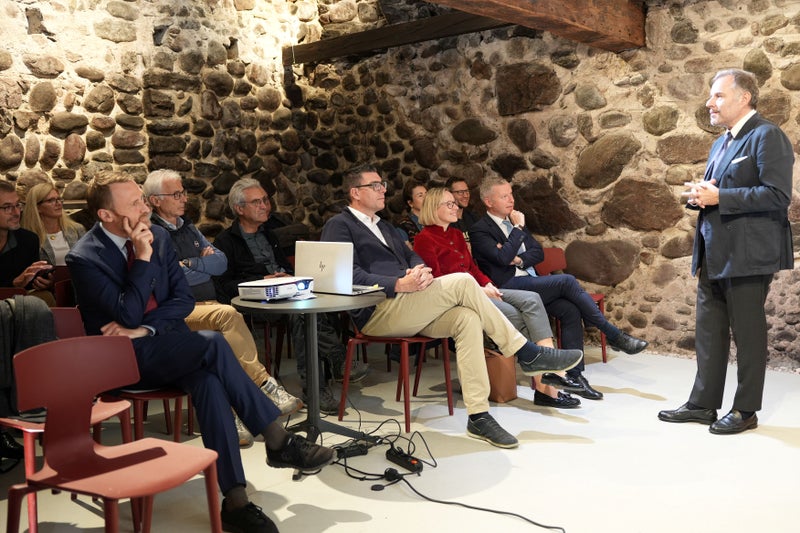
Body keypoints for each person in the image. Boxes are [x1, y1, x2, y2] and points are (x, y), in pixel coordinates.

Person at [65, 170, 334, 533]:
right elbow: (125, 313)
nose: (145, 208)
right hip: (121, 360)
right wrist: (142, 258)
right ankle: (277, 439)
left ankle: (236, 502)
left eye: (143, 199)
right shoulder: (85, 257)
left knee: (209, 382)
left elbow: (182, 300)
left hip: (167, 343)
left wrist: (145, 327)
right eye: (135, 203)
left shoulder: (159, 235)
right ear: (106, 215)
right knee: (211, 341)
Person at [320, 163, 583, 449]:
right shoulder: (339, 225)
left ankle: (479, 415)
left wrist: (419, 269)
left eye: (382, 184)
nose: (383, 189)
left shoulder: (383, 225)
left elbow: (411, 257)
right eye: (375, 185)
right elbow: (345, 274)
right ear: (355, 192)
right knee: (463, 281)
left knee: (467, 318)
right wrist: (397, 283)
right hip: (377, 310)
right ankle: (527, 352)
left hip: (409, 305)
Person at [658, 69, 794, 435]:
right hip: (714, 252)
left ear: (744, 97)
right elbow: (717, 191)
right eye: (711, 96)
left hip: (748, 254)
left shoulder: (767, 135)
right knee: (709, 331)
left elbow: (778, 195)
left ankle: (746, 410)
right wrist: (700, 196)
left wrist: (721, 197)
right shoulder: (722, 142)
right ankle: (703, 404)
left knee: (748, 336)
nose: (709, 103)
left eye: (718, 95)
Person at [143, 170, 302, 447]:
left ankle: (229, 413)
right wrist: (200, 264)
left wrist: (189, 264)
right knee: (227, 315)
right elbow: (170, 278)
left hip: (208, 306)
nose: (184, 198)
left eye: (183, 192)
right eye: (177, 194)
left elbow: (220, 263)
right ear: (155, 200)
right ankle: (264, 384)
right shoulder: (153, 234)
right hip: (179, 311)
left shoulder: (188, 227)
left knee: (221, 338)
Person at [469, 177, 648, 401]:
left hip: (530, 280)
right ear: (488, 201)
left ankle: (574, 376)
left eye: (511, 194)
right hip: (508, 286)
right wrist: (517, 230)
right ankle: (612, 334)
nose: (511, 200)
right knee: (567, 281)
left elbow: (537, 253)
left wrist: (518, 259)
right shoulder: (480, 230)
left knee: (569, 310)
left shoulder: (514, 220)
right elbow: (502, 258)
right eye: (504, 196)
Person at [213, 178, 368, 415]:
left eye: (265, 200)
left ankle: (321, 383)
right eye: (257, 202)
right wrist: (262, 281)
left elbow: (285, 266)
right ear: (239, 208)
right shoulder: (226, 241)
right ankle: (331, 369)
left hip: (287, 292)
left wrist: (286, 276)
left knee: (317, 305)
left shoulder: (270, 235)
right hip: (257, 302)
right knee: (302, 313)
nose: (265, 206)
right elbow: (224, 285)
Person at [414, 187, 579, 408]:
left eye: (455, 203)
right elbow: (439, 281)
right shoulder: (424, 239)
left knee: (532, 300)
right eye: (450, 204)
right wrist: (480, 290)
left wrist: (487, 284)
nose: (456, 207)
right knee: (514, 314)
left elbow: (472, 268)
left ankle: (550, 376)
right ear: (434, 208)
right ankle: (548, 385)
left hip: (479, 289)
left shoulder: (455, 235)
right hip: (458, 298)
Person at [0, 180, 55, 305]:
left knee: (45, 296)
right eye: (7, 207)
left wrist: (43, 283)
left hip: (18, 307)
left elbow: (28, 286)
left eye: (17, 205)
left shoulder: (28, 240)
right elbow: (16, 284)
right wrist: (14, 285)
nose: (16, 213)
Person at [21, 182, 86, 266]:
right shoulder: (28, 237)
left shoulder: (77, 230)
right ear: (37, 207)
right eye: (51, 200)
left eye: (59, 199)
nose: (58, 203)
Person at [395, 180, 427, 248]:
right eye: (420, 195)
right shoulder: (403, 225)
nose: (426, 198)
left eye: (426, 194)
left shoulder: (436, 219)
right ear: (410, 203)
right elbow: (407, 252)